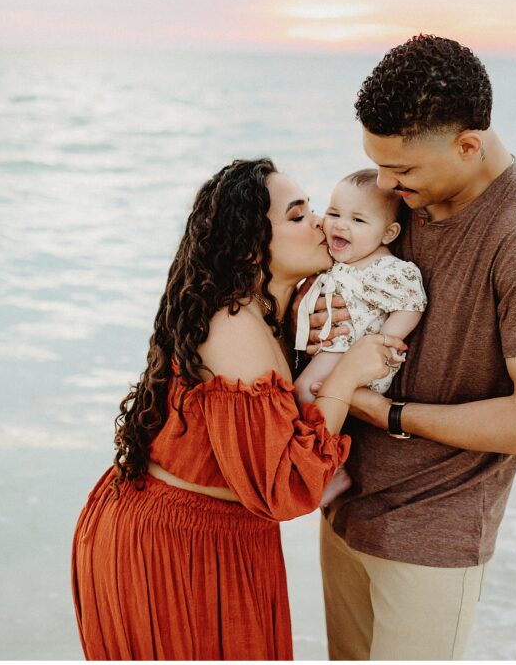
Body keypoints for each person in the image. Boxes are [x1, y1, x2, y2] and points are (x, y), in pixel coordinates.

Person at [307, 35, 516, 660]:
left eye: (402, 170)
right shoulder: (399, 202)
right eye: (377, 164)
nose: (384, 183)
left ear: (468, 145)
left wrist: (387, 414)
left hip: (433, 533)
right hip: (344, 505)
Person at [70, 158, 407, 660]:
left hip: (219, 537)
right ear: (251, 245)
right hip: (175, 548)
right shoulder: (234, 326)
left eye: (313, 209)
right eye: (297, 216)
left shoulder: (271, 313)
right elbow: (288, 487)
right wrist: (349, 374)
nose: (322, 223)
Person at [292, 168, 426, 506]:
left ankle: (330, 471)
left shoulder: (387, 269)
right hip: (339, 348)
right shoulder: (341, 262)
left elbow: (412, 304)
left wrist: (382, 343)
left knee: (303, 392)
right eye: (334, 213)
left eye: (358, 220)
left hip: (358, 353)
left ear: (389, 232)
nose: (339, 225)